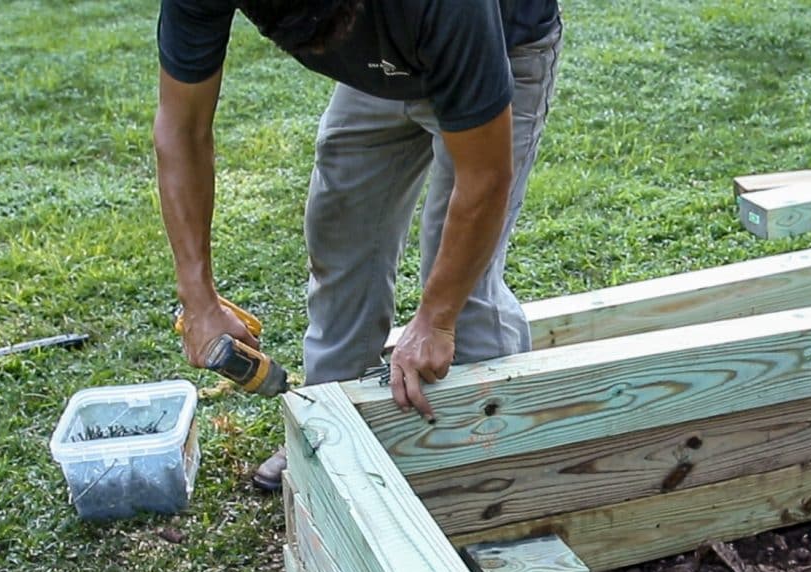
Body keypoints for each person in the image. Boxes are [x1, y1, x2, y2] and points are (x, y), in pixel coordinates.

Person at [154, 0, 562, 492]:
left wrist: (435, 319)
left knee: (464, 295)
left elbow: (485, 178)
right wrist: (197, 300)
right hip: (381, 58)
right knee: (340, 234)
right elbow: (181, 129)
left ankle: (487, 477)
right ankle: (329, 427)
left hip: (499, 46)